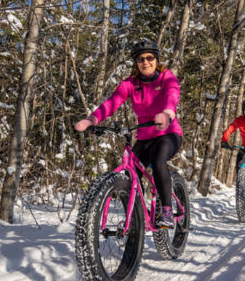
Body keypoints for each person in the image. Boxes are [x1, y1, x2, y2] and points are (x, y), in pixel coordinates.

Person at [74, 39, 182, 228]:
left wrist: (168, 113)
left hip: (168, 134)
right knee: (129, 172)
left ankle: (166, 210)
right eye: (140, 59)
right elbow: (111, 103)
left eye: (149, 58)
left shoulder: (167, 77)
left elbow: (172, 96)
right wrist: (92, 120)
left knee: (158, 159)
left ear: (156, 60)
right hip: (144, 137)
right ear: (136, 62)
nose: (145, 62)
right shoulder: (130, 83)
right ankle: (137, 215)